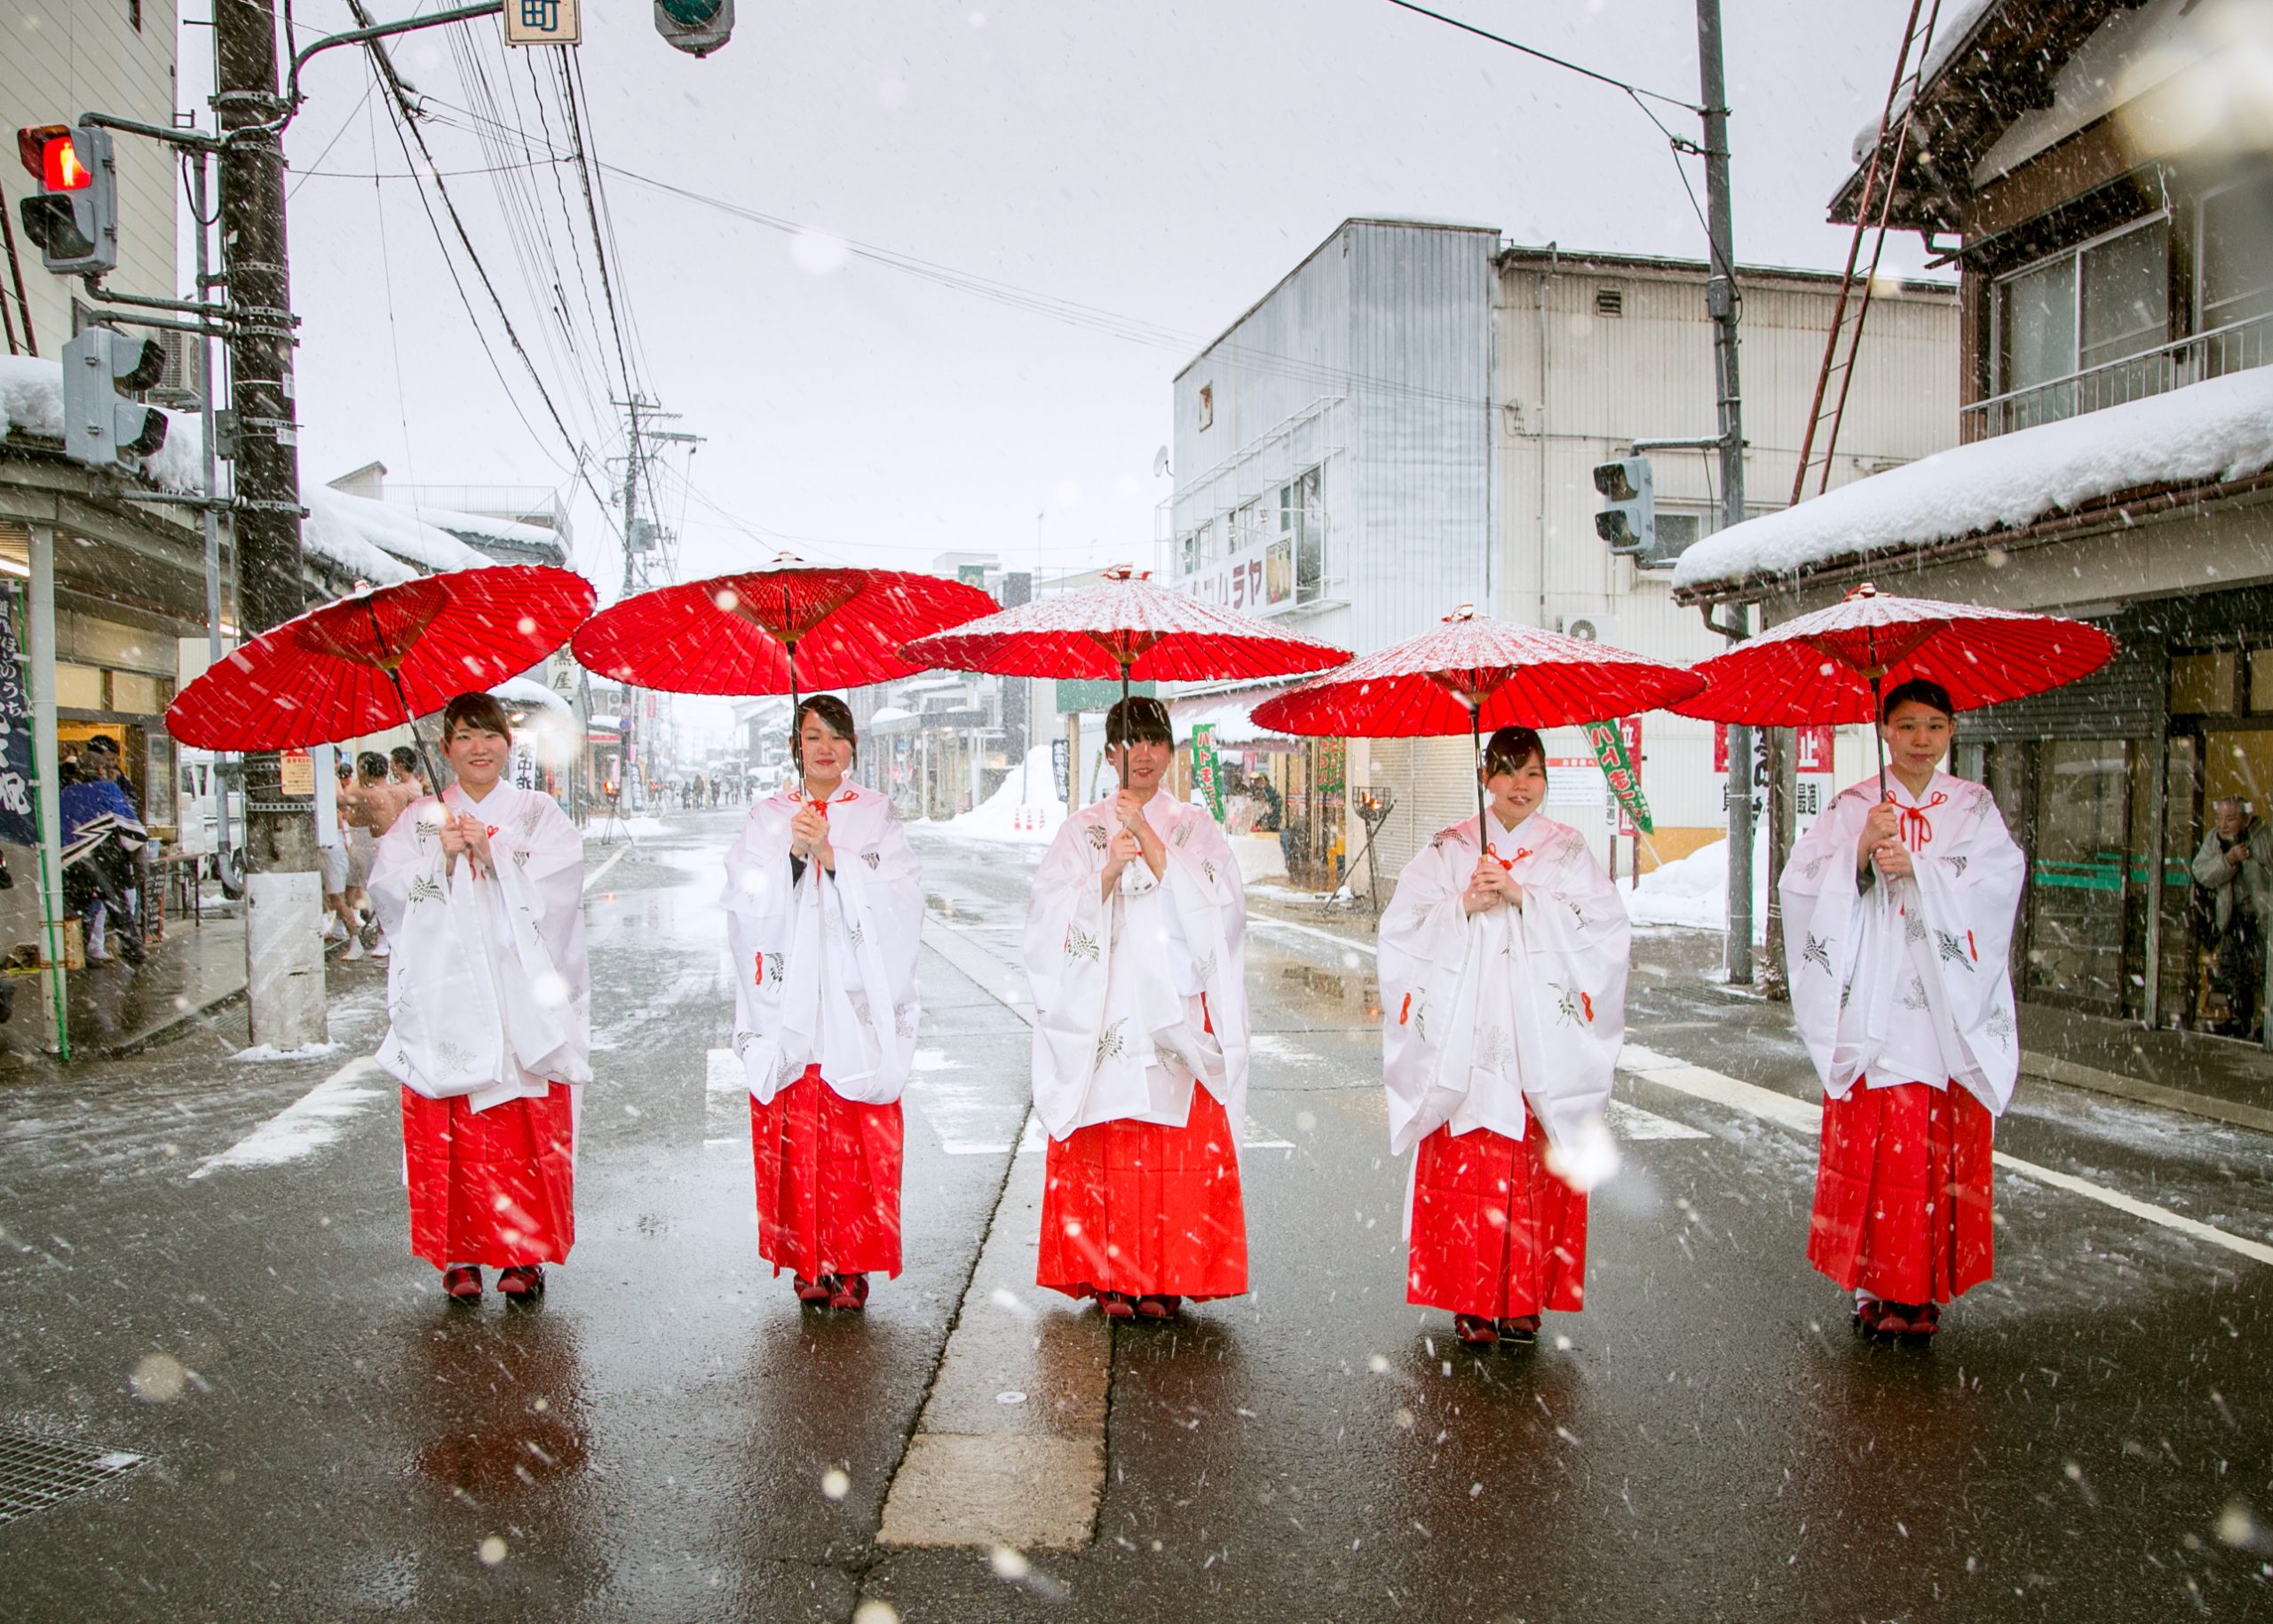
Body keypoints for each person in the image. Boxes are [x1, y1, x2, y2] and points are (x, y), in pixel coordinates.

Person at [1780, 678, 2026, 1339]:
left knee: (1929, 1154)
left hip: (1944, 1005)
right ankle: (1878, 1286)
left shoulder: (1973, 805)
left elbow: (1999, 880)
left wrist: (1923, 870)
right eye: (1909, 725)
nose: (1922, 740)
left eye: (1936, 725)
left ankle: (1924, 1287)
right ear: (1884, 730)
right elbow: (1802, 885)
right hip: (1877, 1006)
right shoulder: (1854, 803)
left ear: (1952, 731)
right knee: (1883, 1156)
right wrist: (1860, 852)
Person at [1377, 725, 1628, 1348]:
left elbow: (1602, 929)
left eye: (1534, 772)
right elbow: (1401, 927)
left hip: (1535, 1038)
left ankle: (1522, 1298)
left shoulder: (1568, 850)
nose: (1521, 785)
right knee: (1472, 1170)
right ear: (1486, 776)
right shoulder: (1450, 847)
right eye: (1508, 770)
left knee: (1530, 1167)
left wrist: (1524, 897)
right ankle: (1471, 1298)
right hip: (1467, 1033)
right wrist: (1461, 905)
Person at [1024, 695, 1251, 1320]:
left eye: (1155, 740)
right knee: (1113, 1141)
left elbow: (1221, 909)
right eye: (1130, 741)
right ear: (1108, 754)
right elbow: (1047, 918)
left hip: (1170, 1012)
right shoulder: (1083, 830)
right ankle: (1112, 1273)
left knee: (1171, 1146)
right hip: (1105, 1011)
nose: (1143, 753)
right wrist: (1103, 872)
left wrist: (1150, 842)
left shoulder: (1192, 828)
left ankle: (1165, 1275)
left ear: (1170, 752)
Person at [368, 693, 590, 1302]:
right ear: (445, 749)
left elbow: (563, 886)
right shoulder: (420, 818)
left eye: (488, 735)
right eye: (464, 736)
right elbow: (388, 897)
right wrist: (436, 863)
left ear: (507, 744)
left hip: (517, 996)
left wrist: (498, 855)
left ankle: (522, 1252)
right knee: (452, 1129)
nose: (478, 747)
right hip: (449, 996)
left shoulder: (538, 812)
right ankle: (458, 1252)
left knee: (519, 1128)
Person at [724, 695, 920, 1311]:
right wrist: (790, 854)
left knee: (853, 1129)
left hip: (850, 1002)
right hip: (791, 1002)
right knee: (799, 1129)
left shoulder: (876, 814)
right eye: (812, 736)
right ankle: (808, 1258)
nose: (825, 747)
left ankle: (852, 1259)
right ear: (796, 747)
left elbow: (901, 895)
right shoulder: (767, 816)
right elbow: (743, 900)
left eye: (836, 735)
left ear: (853, 745)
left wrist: (835, 857)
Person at [59, 739, 148, 966]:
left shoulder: (66, 793)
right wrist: (138, 866)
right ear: (101, 770)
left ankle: (79, 952)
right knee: (118, 907)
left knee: (79, 910)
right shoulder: (108, 789)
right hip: (105, 860)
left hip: (70, 863)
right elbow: (132, 832)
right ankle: (133, 949)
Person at [2191, 796, 2269, 1037]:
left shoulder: (2263, 837)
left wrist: (2251, 858)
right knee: (2233, 970)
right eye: (2219, 818)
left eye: (2230, 818)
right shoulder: (2215, 840)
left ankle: (2267, 1025)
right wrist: (2228, 860)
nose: (2223, 825)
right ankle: (2239, 1019)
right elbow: (2201, 871)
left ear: (2246, 820)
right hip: (2232, 916)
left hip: (2263, 916)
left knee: (2267, 970)